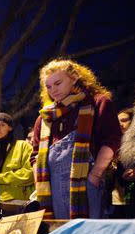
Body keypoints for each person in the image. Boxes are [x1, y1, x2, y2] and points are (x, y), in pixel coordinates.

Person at [30, 59, 122, 219]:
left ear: (74, 77)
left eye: (58, 83)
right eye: (49, 86)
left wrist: (95, 176)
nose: (53, 90)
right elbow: (35, 156)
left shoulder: (97, 103)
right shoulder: (45, 117)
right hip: (51, 192)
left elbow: (112, 140)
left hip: (85, 188)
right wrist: (40, 186)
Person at [117, 101, 135, 218]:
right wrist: (124, 176)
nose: (120, 124)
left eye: (124, 120)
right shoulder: (118, 146)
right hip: (129, 199)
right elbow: (120, 176)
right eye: (118, 122)